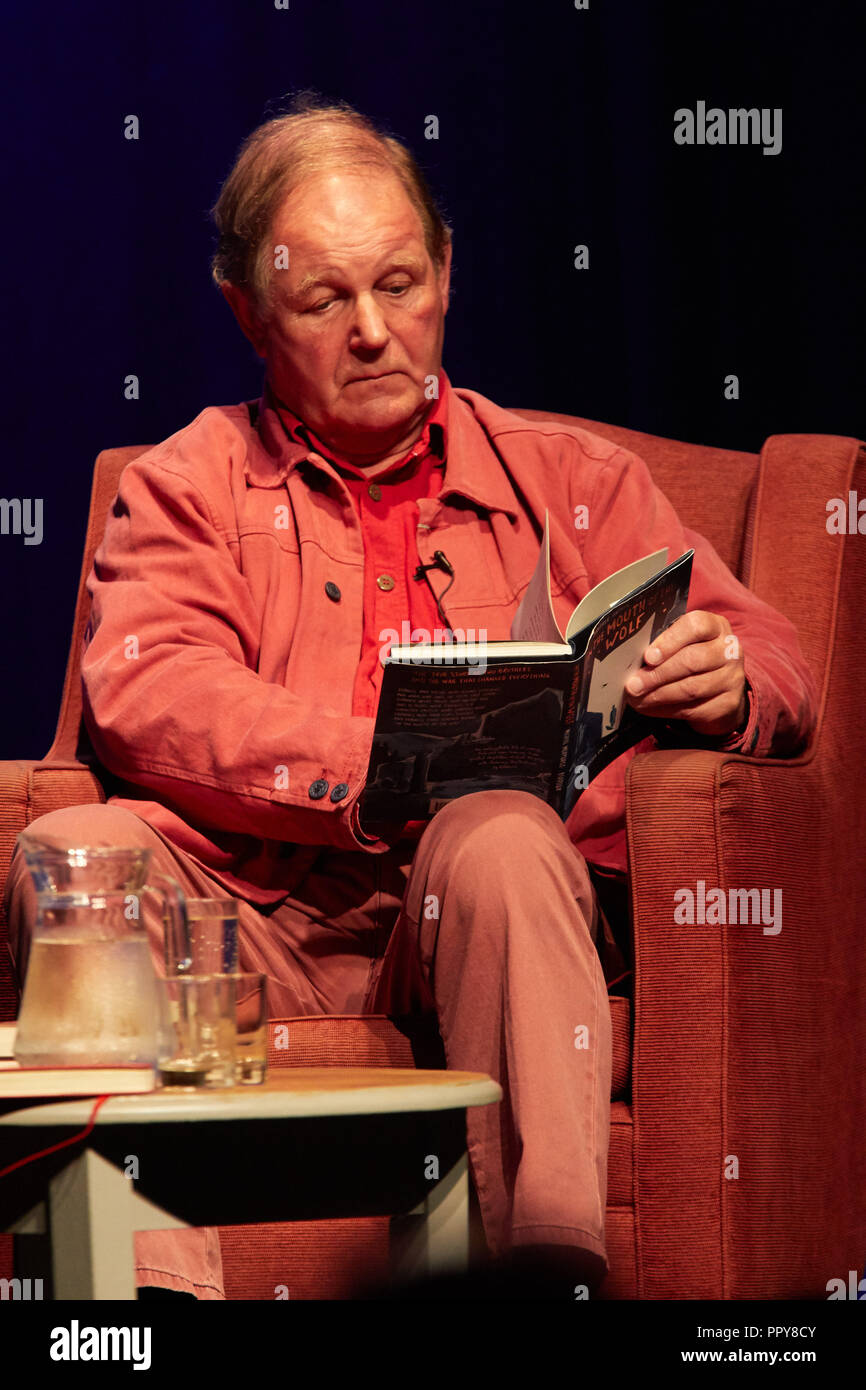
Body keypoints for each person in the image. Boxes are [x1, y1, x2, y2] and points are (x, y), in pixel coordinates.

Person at [4, 97, 817, 1300]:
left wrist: (733, 680)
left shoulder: (573, 480)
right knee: (74, 846)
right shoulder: (182, 484)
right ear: (248, 312)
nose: (375, 331)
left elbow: (779, 660)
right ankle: (138, 1305)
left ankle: (545, 1274)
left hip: (473, 919)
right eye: (325, 300)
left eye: (399, 281)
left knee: (496, 835)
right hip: (245, 921)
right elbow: (153, 690)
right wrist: (388, 764)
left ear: (446, 274)